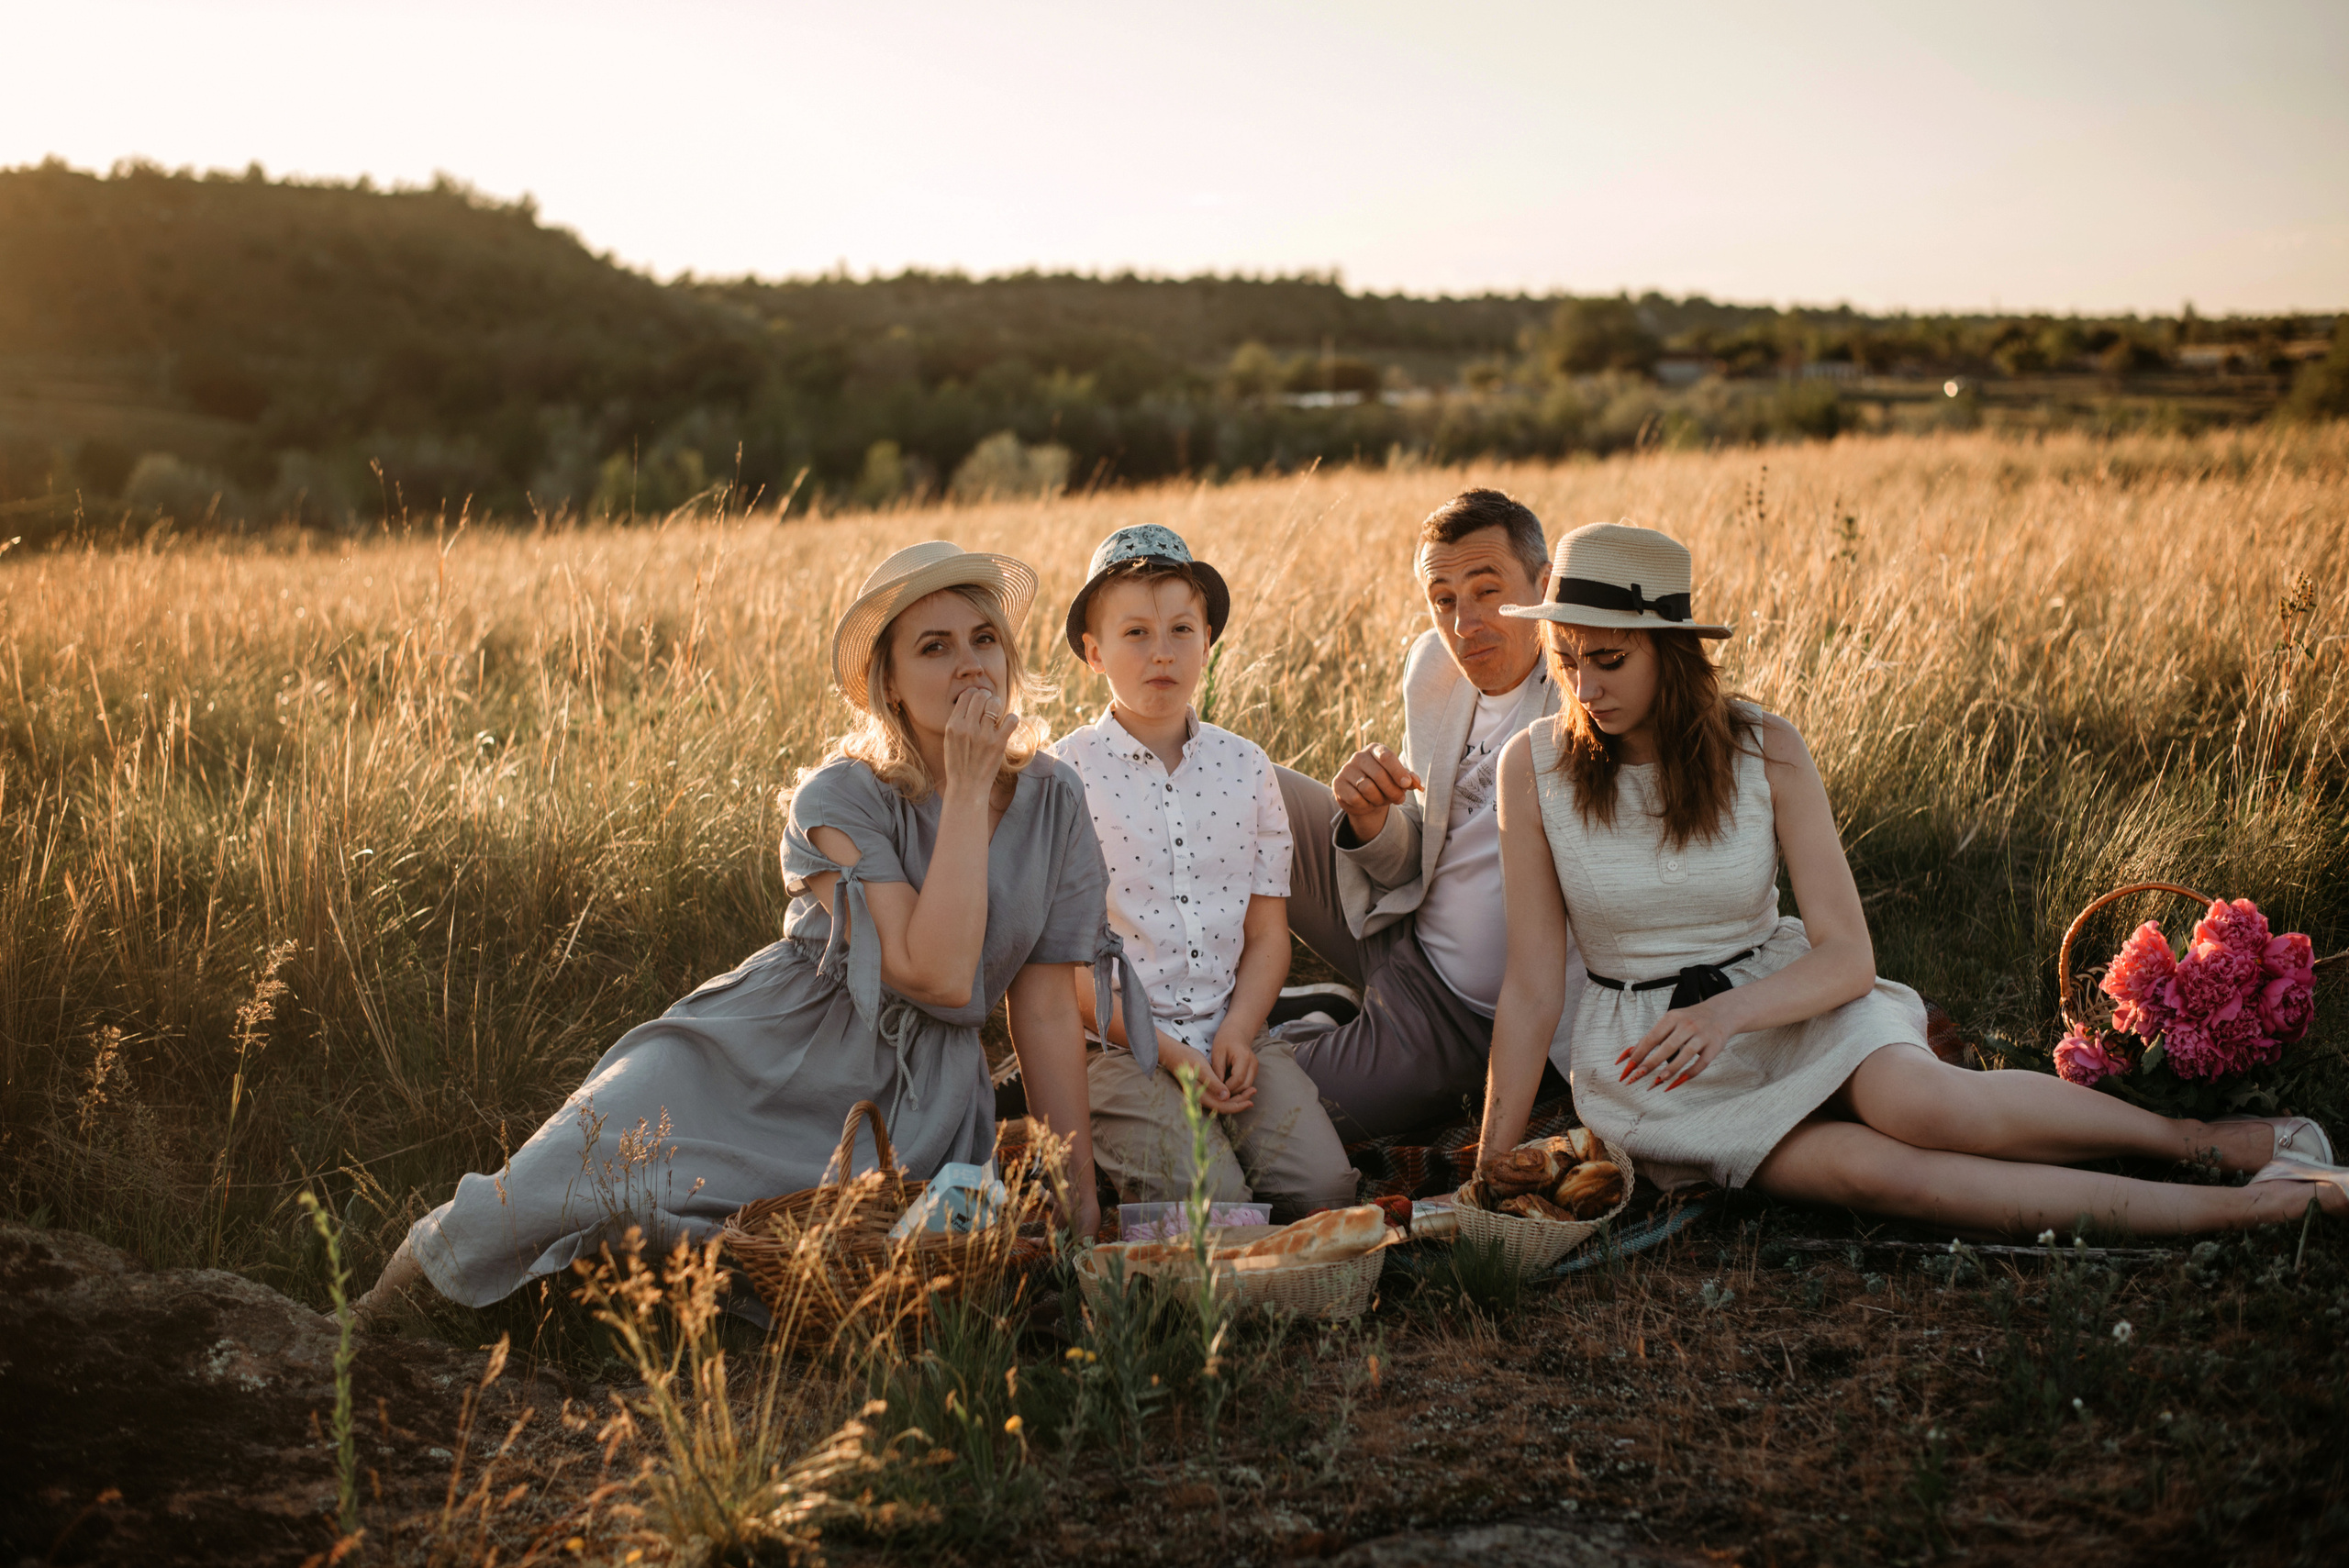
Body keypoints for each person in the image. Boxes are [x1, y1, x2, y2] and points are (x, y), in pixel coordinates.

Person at [1475, 521, 2346, 1234]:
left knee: (1928, 1107)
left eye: (1610, 659)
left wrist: (1726, 1013)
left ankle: (2205, 1141)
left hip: (1785, 1001)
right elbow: (1532, 986)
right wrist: (1488, 1166)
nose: (1584, 686)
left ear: (1672, 652)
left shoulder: (1764, 747)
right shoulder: (1533, 769)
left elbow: (1847, 955)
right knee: (1884, 1177)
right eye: (1568, 658)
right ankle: (2242, 1213)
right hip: (1650, 1064)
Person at [354, 540, 1130, 1323]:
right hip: (766, 1054)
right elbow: (936, 972)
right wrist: (965, 788)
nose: (969, 665)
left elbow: (1044, 1011)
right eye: (934, 647)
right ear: (889, 684)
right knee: (544, 1191)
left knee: (819, 1273)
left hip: (915, 1101)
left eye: (984, 638)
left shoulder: (1055, 799)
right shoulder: (839, 797)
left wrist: (1081, 1204)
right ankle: (366, 1318)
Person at [1054, 525, 1359, 1217]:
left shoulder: (1246, 767)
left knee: (1326, 1195)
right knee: (1217, 1210)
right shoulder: (1065, 778)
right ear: (1094, 652)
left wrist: (1241, 1029)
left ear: (1208, 640)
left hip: (1229, 1028)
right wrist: (1171, 1055)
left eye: (1181, 630)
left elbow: (1268, 935)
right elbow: (1067, 970)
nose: (1162, 651)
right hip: (1119, 1046)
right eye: (1136, 633)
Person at [1275, 488, 1587, 1140]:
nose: (1464, 624)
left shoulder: (1588, 701)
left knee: (1268, 1113)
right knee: (1250, 789)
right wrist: (1369, 821)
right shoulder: (1433, 669)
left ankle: (1308, 1026)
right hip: (1399, 922)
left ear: (1544, 587)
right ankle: (1206, 995)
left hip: (1461, 1017)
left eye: (1487, 591)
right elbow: (1421, 851)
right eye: (1443, 599)